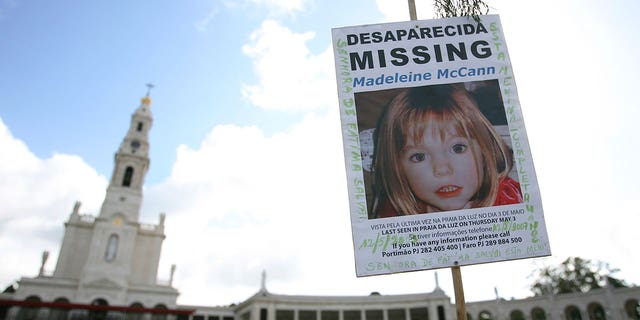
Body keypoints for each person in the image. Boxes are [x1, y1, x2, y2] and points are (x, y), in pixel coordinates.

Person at [371, 83, 522, 218]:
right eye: (419, 157)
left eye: (458, 148)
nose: (442, 169)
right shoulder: (394, 217)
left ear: (485, 151)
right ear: (398, 169)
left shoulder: (512, 202)